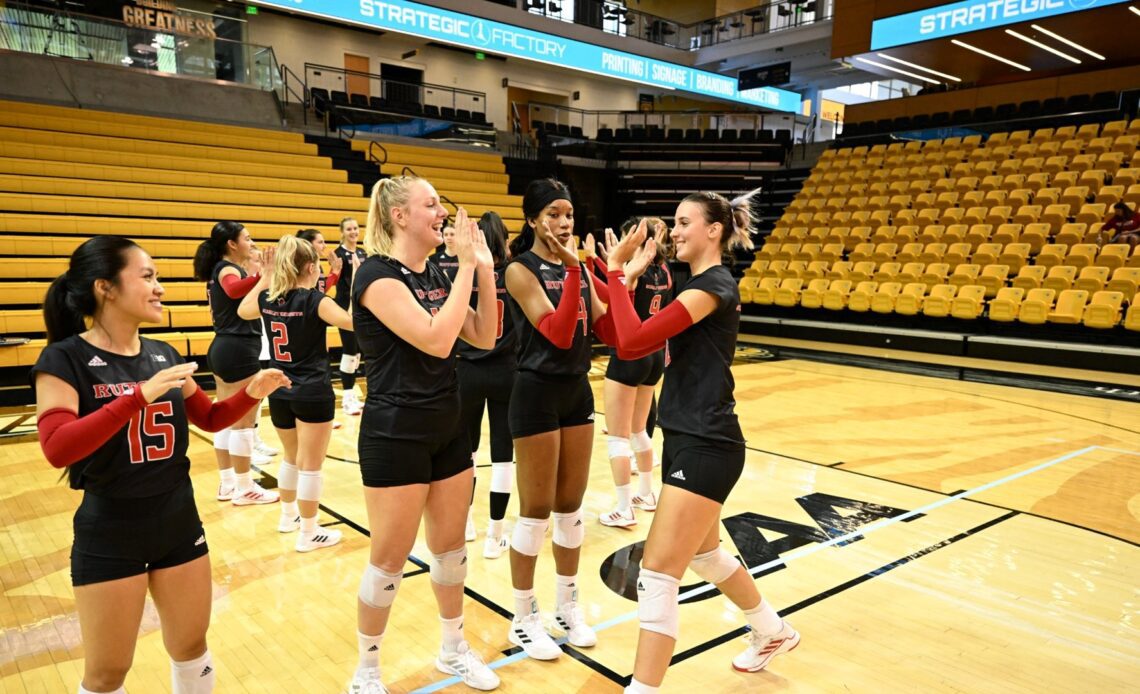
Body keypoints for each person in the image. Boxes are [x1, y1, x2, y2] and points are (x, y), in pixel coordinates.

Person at [34, 236, 289, 694]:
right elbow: (57, 447)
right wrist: (137, 397)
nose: (160, 288)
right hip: (111, 530)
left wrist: (252, 391)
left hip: (178, 521)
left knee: (192, 646)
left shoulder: (162, 354)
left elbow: (210, 418)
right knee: (108, 673)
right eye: (147, 276)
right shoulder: (63, 358)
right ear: (105, 288)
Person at [603, 193, 799, 693]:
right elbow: (619, 330)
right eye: (675, 222)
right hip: (690, 438)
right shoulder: (691, 286)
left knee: (657, 574)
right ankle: (773, 631)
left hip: (708, 444)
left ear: (714, 231)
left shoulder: (712, 286)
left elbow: (630, 344)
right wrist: (620, 280)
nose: (676, 230)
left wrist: (615, 274)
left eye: (685, 222)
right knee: (706, 556)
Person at [348, 177, 501, 692]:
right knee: (389, 560)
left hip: (448, 427)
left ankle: (453, 649)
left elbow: (483, 335)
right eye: (431, 203)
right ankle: (366, 670)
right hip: (395, 433)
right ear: (399, 216)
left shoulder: (435, 270)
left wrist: (485, 272)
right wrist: (463, 268)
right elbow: (437, 342)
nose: (442, 211)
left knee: (451, 549)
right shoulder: (375, 276)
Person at [503, 178, 610, 660]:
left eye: (569, 214)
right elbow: (560, 333)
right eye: (554, 214)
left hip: (576, 390)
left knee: (571, 505)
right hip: (536, 393)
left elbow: (605, 322)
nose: (565, 223)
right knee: (536, 510)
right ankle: (523, 616)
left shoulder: (578, 267)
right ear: (532, 220)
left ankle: (568, 605)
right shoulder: (519, 270)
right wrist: (573, 271)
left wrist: (617, 270)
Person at [238, 236, 355, 552]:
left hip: (279, 391)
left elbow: (242, 309)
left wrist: (264, 277)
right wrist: (355, 282)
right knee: (311, 465)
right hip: (312, 390)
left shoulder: (269, 299)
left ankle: (288, 517)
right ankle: (309, 531)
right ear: (309, 267)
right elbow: (352, 322)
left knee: (292, 457)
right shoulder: (316, 300)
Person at [192, 222, 279, 506]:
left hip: (225, 346)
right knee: (243, 423)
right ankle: (244, 487)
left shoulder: (225, 268)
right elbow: (232, 291)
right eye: (247, 238)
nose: (251, 242)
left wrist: (259, 276)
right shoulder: (227, 268)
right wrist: (263, 276)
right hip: (238, 348)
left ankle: (228, 483)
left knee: (226, 422)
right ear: (232, 244)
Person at [597, 219, 672, 528]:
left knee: (618, 437)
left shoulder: (634, 272)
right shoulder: (663, 271)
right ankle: (646, 494)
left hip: (630, 355)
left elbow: (617, 308)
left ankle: (624, 507)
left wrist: (601, 268)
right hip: (655, 354)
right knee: (640, 430)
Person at [456, 211, 519, 558]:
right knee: (502, 457)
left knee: (467, 452)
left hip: (467, 370)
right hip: (506, 372)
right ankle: (496, 535)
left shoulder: (461, 274)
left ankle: (465, 522)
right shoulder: (514, 274)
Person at [333, 217, 367, 416]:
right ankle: (347, 398)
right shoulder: (338, 254)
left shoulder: (363, 252)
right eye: (349, 229)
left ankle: (352, 396)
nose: (353, 232)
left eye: (355, 228)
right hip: (345, 306)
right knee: (349, 350)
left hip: (360, 306)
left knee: (357, 352)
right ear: (342, 232)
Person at [297, 228, 344, 294]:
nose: (325, 246)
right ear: (309, 244)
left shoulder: (316, 263)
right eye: (320, 242)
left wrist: (334, 271)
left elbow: (321, 289)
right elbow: (318, 292)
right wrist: (334, 272)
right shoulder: (305, 265)